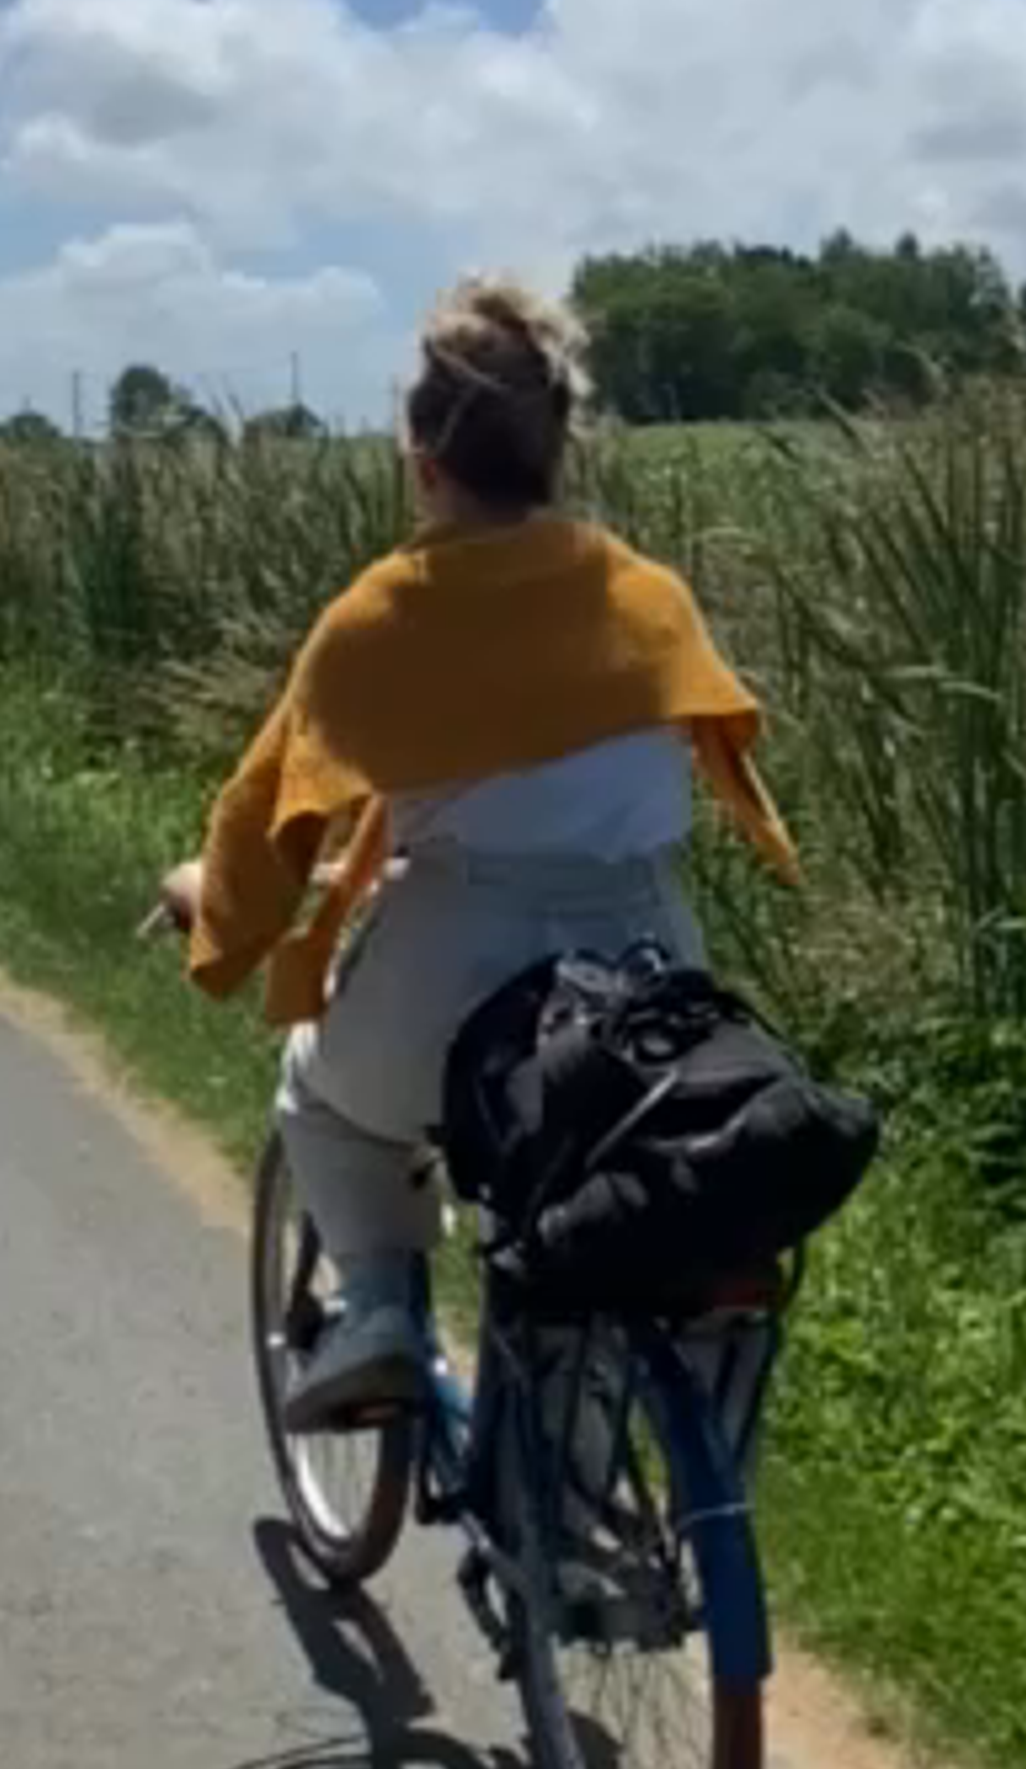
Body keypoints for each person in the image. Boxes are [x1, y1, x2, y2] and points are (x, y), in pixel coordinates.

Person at [159, 275, 797, 1430]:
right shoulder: (651, 599)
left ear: (422, 461)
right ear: (560, 450)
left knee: (328, 1105)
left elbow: (266, 830)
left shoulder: (379, 618)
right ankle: (621, 1472)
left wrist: (212, 902)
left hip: (459, 966)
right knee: (616, 1181)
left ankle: (386, 1313)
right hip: (653, 964)